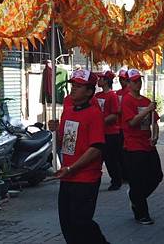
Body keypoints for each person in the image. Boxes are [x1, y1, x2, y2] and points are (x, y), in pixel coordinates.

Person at [51, 69, 109, 244]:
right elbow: (65, 142)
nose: (73, 89)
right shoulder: (68, 111)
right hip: (67, 177)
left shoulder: (94, 114)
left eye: (79, 86)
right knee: (67, 223)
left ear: (89, 92)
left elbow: (96, 149)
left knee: (81, 222)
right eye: (73, 85)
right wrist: (54, 129)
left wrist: (72, 168)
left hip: (86, 178)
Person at [121, 68, 162, 225]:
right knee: (137, 180)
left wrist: (155, 136)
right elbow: (131, 123)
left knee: (157, 176)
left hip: (148, 145)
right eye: (134, 81)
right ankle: (141, 213)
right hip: (133, 146)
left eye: (139, 80)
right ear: (129, 84)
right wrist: (147, 110)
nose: (138, 83)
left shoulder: (146, 101)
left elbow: (155, 122)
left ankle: (135, 197)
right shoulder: (127, 100)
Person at [95, 70, 122, 190]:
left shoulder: (112, 96)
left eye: (101, 78)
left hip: (111, 133)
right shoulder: (97, 96)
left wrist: (100, 122)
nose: (98, 80)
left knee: (111, 159)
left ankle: (116, 181)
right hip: (100, 132)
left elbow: (115, 115)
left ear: (106, 81)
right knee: (98, 158)